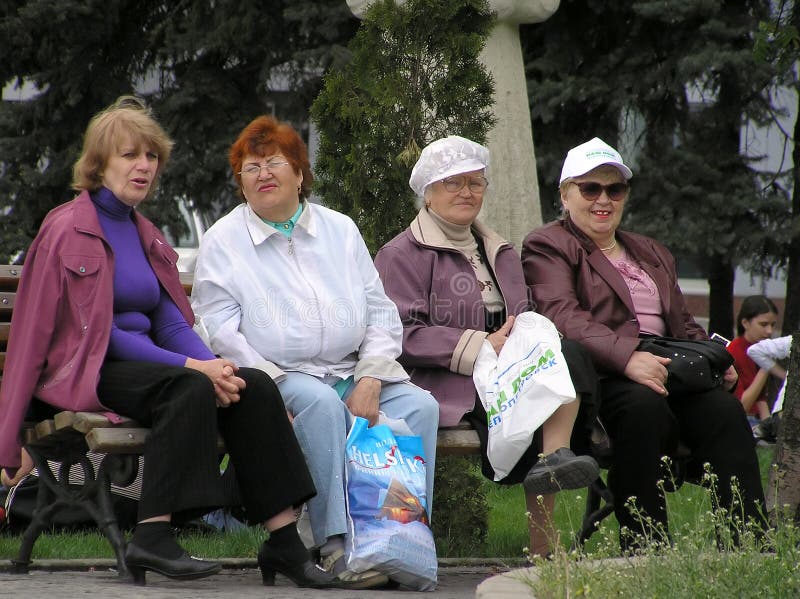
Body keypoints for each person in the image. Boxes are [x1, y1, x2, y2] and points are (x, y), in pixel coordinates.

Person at [0, 97, 336, 588]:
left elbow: (171, 322)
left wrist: (216, 365)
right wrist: (192, 369)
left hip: (150, 369)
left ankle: (284, 543)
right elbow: (100, 332)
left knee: (256, 386)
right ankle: (153, 535)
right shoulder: (67, 228)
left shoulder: (146, 234)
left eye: (151, 156)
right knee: (187, 388)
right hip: (88, 369)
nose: (144, 166)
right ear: (98, 164)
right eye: (130, 155)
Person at [190, 115, 440, 589]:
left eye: (274, 163)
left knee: (418, 406)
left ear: (300, 174)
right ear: (240, 183)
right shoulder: (224, 240)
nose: (262, 174)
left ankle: (399, 539)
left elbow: (380, 312)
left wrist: (370, 377)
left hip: (351, 369)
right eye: (250, 167)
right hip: (284, 374)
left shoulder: (339, 230)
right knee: (322, 406)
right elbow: (220, 329)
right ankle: (338, 546)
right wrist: (272, 386)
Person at [521, 137, 767, 552]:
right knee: (642, 407)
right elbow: (562, 316)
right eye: (590, 188)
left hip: (667, 367)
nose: (604, 199)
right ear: (565, 195)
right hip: (605, 376)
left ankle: (748, 546)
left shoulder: (650, 250)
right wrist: (628, 358)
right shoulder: (550, 245)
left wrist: (714, 358)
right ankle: (646, 547)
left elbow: (682, 323)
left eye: (614, 189)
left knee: (726, 411)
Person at [373, 135, 600, 558]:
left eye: (475, 183)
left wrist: (522, 342)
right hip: (451, 380)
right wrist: (483, 345)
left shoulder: (499, 250)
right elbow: (400, 333)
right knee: (544, 389)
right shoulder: (402, 254)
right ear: (428, 192)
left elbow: (522, 311)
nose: (467, 192)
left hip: (510, 364)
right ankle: (545, 542)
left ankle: (554, 460)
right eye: (453, 183)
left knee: (566, 357)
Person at [727, 296, 780, 422]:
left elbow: (761, 400)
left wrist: (768, 426)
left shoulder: (760, 349)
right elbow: (741, 406)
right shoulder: (733, 352)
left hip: (756, 420)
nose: (769, 331)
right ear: (745, 323)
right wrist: (766, 367)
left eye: (772, 325)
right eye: (763, 324)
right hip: (740, 420)